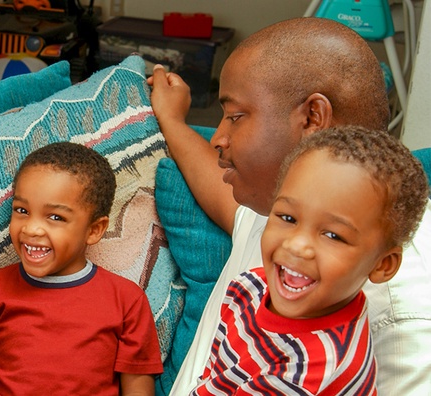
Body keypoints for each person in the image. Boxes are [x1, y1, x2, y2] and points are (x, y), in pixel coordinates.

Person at [148, 17, 431, 395]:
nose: (218, 138)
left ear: (312, 118)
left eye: (235, 117)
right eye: (287, 218)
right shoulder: (281, 207)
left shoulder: (403, 314)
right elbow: (222, 191)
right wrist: (173, 120)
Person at [191, 126, 428, 395]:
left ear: (383, 265)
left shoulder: (310, 372)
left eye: (333, 235)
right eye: (288, 218)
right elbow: (212, 378)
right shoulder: (248, 287)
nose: (297, 245)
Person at [0, 142, 163, 396]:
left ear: (94, 230)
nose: (31, 229)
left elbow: (138, 390)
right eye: (22, 210)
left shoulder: (127, 301)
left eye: (55, 217)